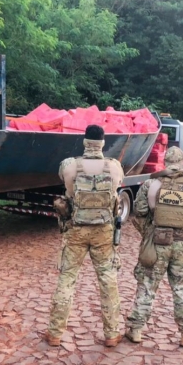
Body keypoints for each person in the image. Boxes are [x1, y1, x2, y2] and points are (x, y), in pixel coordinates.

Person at [46, 124, 124, 347]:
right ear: (102, 142)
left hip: (76, 230)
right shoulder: (114, 166)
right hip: (103, 232)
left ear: (84, 141)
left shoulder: (69, 165)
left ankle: (55, 333)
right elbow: (119, 186)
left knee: (67, 280)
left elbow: (64, 181)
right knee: (108, 281)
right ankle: (111, 334)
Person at [125, 146, 183, 347]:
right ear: (182, 163)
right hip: (182, 245)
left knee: (147, 285)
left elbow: (139, 210)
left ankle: (136, 330)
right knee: (181, 289)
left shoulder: (150, 184)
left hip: (156, 243)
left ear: (165, 162)